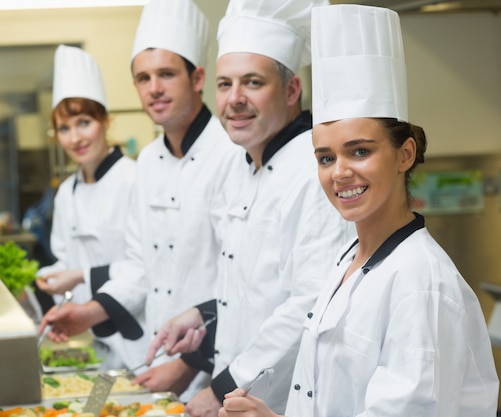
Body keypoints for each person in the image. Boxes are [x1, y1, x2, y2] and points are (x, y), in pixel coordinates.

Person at [218, 5, 500, 417]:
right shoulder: (349, 259)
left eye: (361, 151)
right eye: (325, 157)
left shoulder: (419, 284)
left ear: (405, 154)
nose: (341, 172)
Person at [141, 1, 354, 416]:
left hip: (280, 401)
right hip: (240, 395)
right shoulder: (240, 168)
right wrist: (201, 316)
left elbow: (310, 305)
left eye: (252, 83)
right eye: (224, 85)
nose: (234, 99)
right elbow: (250, 290)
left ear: (292, 91)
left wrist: (222, 388)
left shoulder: (316, 171)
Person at [38, 0, 238, 398]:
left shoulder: (231, 154)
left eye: (166, 74)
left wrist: (189, 365)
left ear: (197, 78)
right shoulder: (148, 161)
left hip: (217, 365)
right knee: (94, 405)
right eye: (143, 78)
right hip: (152, 354)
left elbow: (243, 285)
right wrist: (88, 313)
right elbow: (138, 263)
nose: (154, 89)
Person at [34, 44, 137, 369]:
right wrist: (44, 280)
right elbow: (66, 259)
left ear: (106, 121)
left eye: (84, 122)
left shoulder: (134, 179)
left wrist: (78, 277)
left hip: (140, 335)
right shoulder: (67, 192)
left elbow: (147, 267)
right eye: (64, 128)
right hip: (93, 340)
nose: (74, 137)